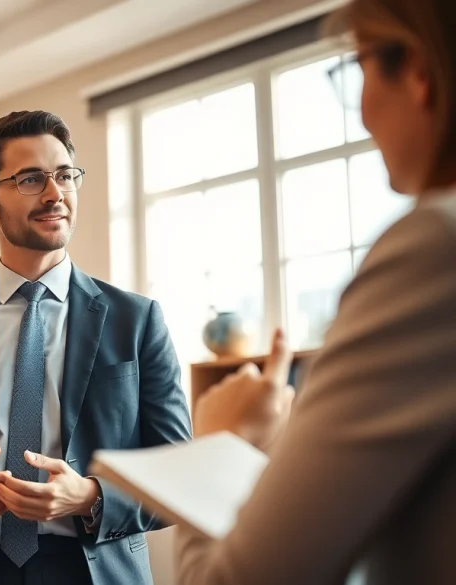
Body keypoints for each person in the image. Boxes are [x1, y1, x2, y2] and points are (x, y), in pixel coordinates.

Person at [176, 1, 456, 583]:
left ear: (419, 72)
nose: (362, 114)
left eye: (357, 68)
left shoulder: (434, 247)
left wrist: (220, 444)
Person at [0, 110, 193, 585]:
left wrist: (90, 497)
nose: (55, 194)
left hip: (95, 571)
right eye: (30, 179)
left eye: (65, 175)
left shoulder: (137, 321)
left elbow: (179, 476)